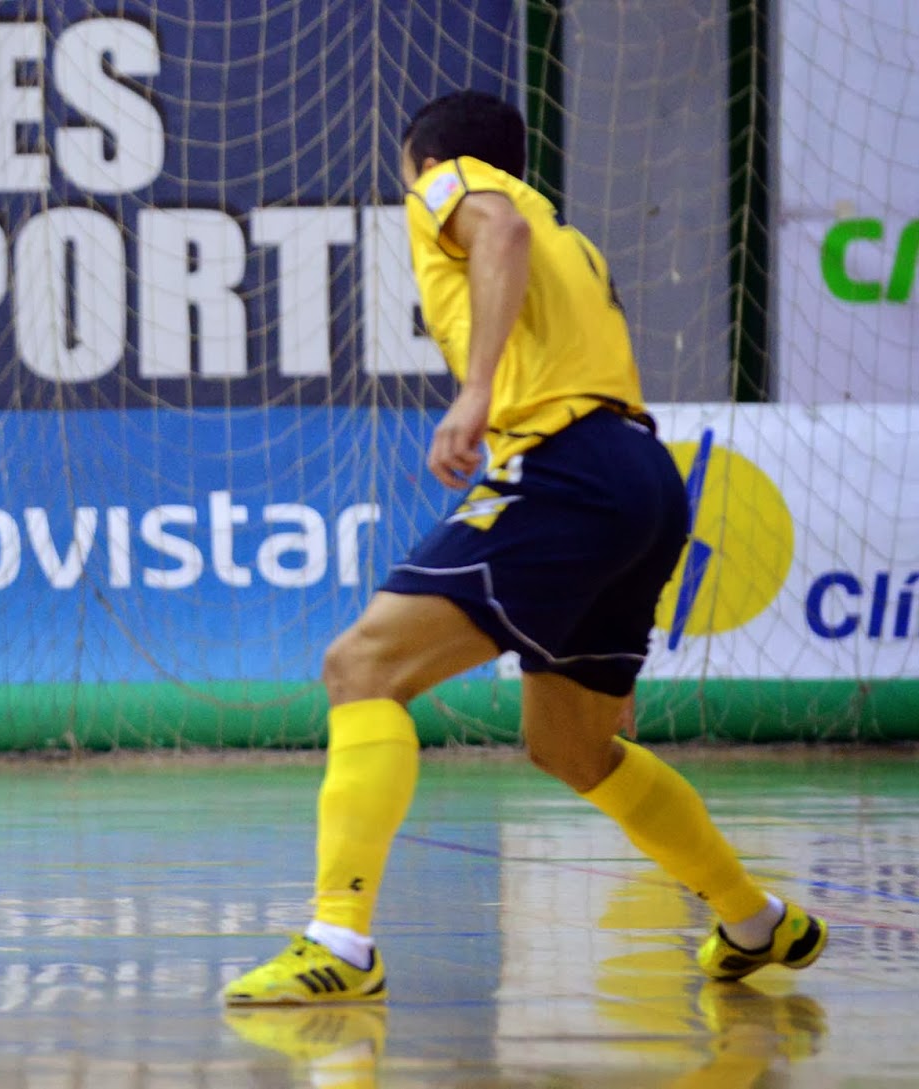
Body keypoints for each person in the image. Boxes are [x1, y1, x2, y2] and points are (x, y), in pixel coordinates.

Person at [223, 90, 826, 1004]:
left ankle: (339, 939)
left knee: (361, 666)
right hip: (642, 475)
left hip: (564, 465)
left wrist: (475, 395)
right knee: (573, 745)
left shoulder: (454, 188)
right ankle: (755, 919)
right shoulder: (572, 241)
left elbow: (494, 233)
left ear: (425, 162)